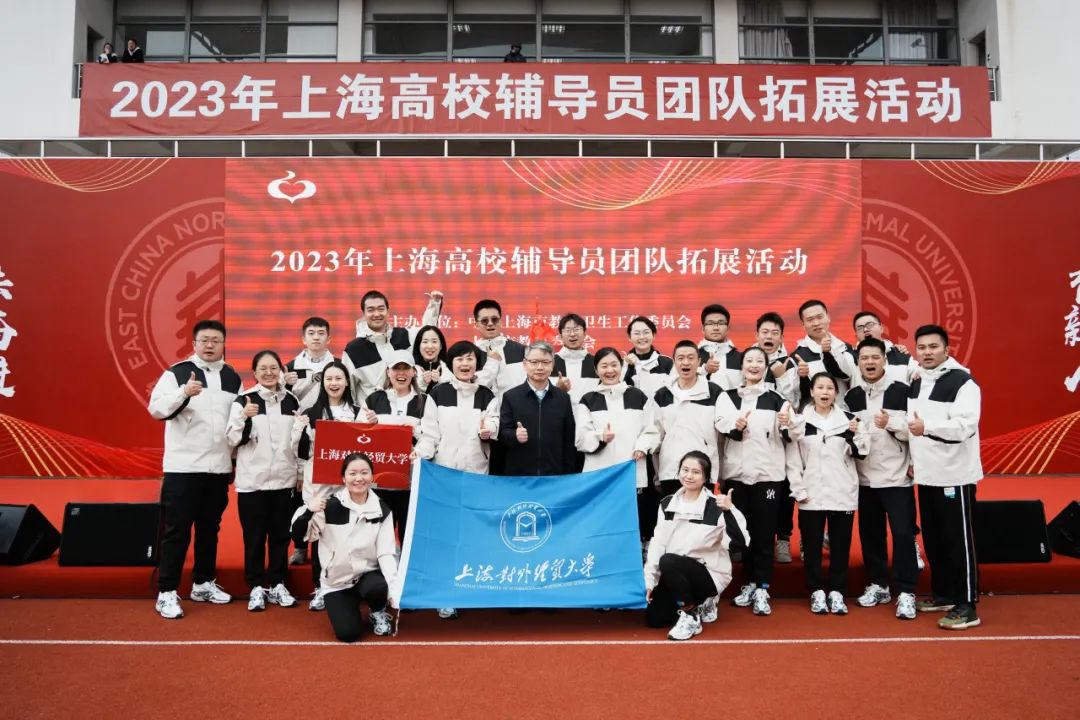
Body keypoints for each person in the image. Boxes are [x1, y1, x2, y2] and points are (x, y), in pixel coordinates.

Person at [147, 320, 241, 619]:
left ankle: (203, 582)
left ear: (224, 344)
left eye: (216, 340)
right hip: (183, 467)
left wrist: (234, 461)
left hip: (218, 468)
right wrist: (184, 393)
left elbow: (236, 422)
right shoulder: (177, 373)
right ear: (194, 343)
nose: (210, 345)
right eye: (204, 340)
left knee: (209, 530)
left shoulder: (232, 377)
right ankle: (166, 591)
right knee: (177, 531)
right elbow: (156, 409)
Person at [415, 340, 499, 621]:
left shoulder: (487, 394)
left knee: (473, 535)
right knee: (446, 536)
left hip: (476, 475)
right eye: (459, 359)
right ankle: (445, 594)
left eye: (470, 359)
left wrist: (489, 431)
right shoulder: (438, 393)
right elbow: (430, 433)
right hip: (444, 475)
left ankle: (472, 589)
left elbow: (494, 422)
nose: (465, 364)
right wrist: (421, 453)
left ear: (477, 363)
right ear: (451, 364)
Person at [907, 324, 982, 630]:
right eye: (922, 347)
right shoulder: (916, 381)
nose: (927, 352)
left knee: (958, 541)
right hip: (927, 475)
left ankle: (967, 604)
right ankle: (944, 595)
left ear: (946, 349)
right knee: (935, 540)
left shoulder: (963, 382)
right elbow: (912, 425)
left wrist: (928, 428)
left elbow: (965, 427)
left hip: (955, 476)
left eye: (933, 347)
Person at [715, 346, 798, 617]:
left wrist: (787, 423)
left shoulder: (777, 399)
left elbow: (791, 431)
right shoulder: (728, 397)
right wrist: (735, 425)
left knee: (763, 533)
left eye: (759, 361)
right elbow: (721, 424)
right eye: (749, 360)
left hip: (768, 477)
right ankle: (749, 584)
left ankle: (762, 586)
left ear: (765, 366)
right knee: (743, 532)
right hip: (737, 476)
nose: (754, 365)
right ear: (742, 367)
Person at [844, 338, 919, 620]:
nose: (870, 362)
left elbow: (916, 430)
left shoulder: (902, 391)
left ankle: (907, 591)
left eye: (875, 357)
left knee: (903, 534)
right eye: (864, 358)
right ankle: (878, 584)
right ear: (858, 362)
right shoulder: (851, 396)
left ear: (885, 360)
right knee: (871, 534)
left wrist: (892, 424)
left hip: (897, 477)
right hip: (865, 479)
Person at [784, 372, 869, 615]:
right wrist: (798, 489)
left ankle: (837, 591)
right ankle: (816, 591)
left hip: (842, 491)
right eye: (820, 387)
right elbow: (793, 460)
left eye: (829, 388)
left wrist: (853, 435)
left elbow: (863, 452)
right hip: (811, 493)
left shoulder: (850, 420)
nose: (824, 392)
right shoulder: (800, 422)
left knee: (840, 546)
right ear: (811, 392)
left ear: (836, 392)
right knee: (811, 546)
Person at [291, 453, 398, 643]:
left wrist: (393, 587)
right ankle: (347, 603)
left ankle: (377, 610)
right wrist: (308, 510)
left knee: (377, 587)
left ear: (372, 477)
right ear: (343, 478)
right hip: (337, 581)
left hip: (368, 575)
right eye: (353, 473)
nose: (359, 478)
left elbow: (386, 553)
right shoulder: (329, 506)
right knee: (348, 634)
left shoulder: (382, 509)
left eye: (364, 473)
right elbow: (300, 535)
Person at [226, 350, 302, 612]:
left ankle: (278, 583)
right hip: (253, 482)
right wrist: (243, 417)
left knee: (281, 537)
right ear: (254, 372)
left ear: (281, 370)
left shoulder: (291, 400)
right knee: (254, 537)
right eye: (263, 369)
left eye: (273, 368)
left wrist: (299, 474)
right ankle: (256, 586)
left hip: (284, 480)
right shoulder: (244, 400)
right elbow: (231, 439)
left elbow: (297, 442)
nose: (269, 373)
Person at [644, 451, 747, 641]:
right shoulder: (667, 504)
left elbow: (739, 543)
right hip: (676, 572)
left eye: (696, 472)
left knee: (669, 561)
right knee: (655, 619)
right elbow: (658, 543)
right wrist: (650, 581)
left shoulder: (716, 506)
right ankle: (699, 603)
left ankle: (691, 613)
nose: (689, 476)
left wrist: (729, 510)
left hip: (708, 574)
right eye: (685, 470)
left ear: (706, 477)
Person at [291, 360, 360, 610]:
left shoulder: (359, 412)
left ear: (347, 382)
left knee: (349, 535)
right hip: (319, 484)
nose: (334, 383)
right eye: (329, 378)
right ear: (323, 383)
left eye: (338, 378)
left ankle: (348, 586)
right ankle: (320, 587)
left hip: (349, 486)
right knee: (320, 535)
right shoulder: (311, 413)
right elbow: (299, 451)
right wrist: (298, 430)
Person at [574, 347, 653, 547]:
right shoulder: (588, 399)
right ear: (596, 370)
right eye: (604, 366)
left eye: (614, 365)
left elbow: (651, 430)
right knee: (599, 522)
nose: (610, 370)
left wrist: (642, 446)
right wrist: (601, 437)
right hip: (599, 474)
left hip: (631, 471)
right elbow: (581, 438)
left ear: (622, 366)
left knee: (629, 523)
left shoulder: (638, 396)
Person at [638, 340, 723, 496]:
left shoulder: (714, 391)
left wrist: (738, 425)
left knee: (700, 511)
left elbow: (725, 425)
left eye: (690, 358)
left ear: (699, 361)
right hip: (670, 471)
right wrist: (642, 447)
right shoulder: (662, 394)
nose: (686, 362)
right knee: (671, 511)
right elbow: (655, 432)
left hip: (702, 470)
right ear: (674, 362)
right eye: (681, 358)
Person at [359, 350, 427, 543]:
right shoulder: (374, 399)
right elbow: (359, 436)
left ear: (414, 372)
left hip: (410, 483)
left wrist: (415, 437)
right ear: (388, 372)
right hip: (378, 483)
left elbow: (432, 437)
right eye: (396, 368)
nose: (401, 373)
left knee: (408, 536)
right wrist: (371, 426)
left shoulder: (424, 401)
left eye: (406, 368)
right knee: (378, 537)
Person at [341, 289, 443, 403]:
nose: (377, 314)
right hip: (371, 412)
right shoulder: (354, 350)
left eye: (381, 309)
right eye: (371, 310)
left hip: (407, 408)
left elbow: (426, 333)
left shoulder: (403, 336)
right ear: (363, 314)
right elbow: (347, 391)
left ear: (388, 311)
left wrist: (434, 304)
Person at [754, 312, 799, 564]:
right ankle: (746, 541)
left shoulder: (790, 363)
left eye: (774, 333)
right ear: (756, 335)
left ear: (781, 337)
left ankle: (783, 539)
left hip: (782, 439)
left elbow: (794, 401)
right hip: (753, 437)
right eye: (765, 332)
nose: (769, 337)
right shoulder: (748, 359)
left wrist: (781, 376)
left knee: (784, 490)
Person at [497, 340, 577, 476]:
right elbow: (502, 434)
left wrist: (568, 475)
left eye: (545, 362)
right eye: (534, 362)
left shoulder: (563, 398)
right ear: (525, 364)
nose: (540, 367)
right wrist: (514, 435)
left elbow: (569, 440)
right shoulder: (511, 397)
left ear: (552, 364)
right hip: (520, 475)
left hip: (554, 475)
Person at [474, 298, 567, 399]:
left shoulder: (521, 350)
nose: (490, 323)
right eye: (484, 321)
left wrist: (556, 387)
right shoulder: (470, 355)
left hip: (518, 408)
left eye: (494, 319)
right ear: (476, 325)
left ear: (501, 322)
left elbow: (539, 379)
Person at [789, 299, 852, 410]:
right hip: (812, 416)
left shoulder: (845, 348)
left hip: (843, 413)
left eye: (819, 317)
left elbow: (850, 378)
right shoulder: (797, 356)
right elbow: (795, 398)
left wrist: (830, 352)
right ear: (803, 325)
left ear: (828, 317)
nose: (816, 323)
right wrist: (803, 378)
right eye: (810, 320)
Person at [284, 316, 336, 411]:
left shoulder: (338, 366)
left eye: (321, 333)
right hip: (299, 418)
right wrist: (285, 384)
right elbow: (281, 400)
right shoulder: (290, 368)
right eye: (311, 333)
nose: (316, 337)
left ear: (328, 339)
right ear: (304, 339)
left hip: (331, 418)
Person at [623, 316, 674, 399]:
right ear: (629, 337)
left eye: (646, 332)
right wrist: (629, 368)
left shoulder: (667, 363)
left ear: (653, 335)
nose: (642, 337)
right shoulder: (622, 365)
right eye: (637, 333)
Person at [556, 313, 598, 403]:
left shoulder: (596, 362)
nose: (572, 334)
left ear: (585, 333)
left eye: (576, 329)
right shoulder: (550, 362)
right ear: (560, 336)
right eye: (568, 330)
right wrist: (557, 390)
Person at [698, 304, 742, 390]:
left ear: (728, 328)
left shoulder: (740, 358)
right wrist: (705, 370)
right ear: (703, 329)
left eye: (721, 323)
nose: (716, 328)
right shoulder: (692, 356)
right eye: (710, 323)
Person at [413, 324, 449, 393]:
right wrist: (422, 384)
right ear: (418, 345)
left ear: (441, 346)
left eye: (434, 341)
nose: (430, 346)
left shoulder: (450, 370)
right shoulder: (410, 369)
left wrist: (440, 382)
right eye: (425, 342)